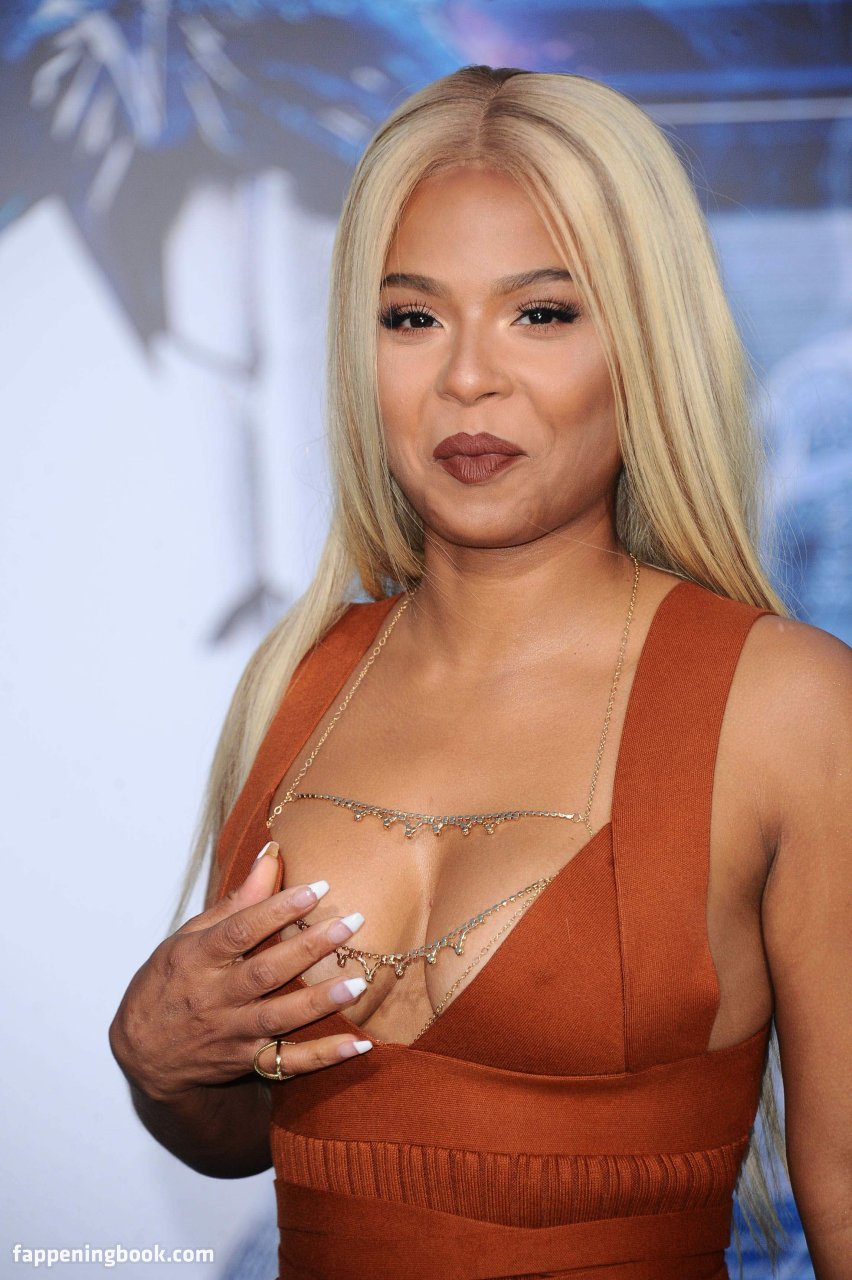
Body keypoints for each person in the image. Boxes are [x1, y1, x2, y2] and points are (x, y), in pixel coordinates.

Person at [109, 65, 851, 1279]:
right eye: (412, 318)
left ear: (645, 341)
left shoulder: (788, 706)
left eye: (541, 313)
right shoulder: (300, 678)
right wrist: (156, 1057)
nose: (466, 377)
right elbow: (249, 1131)